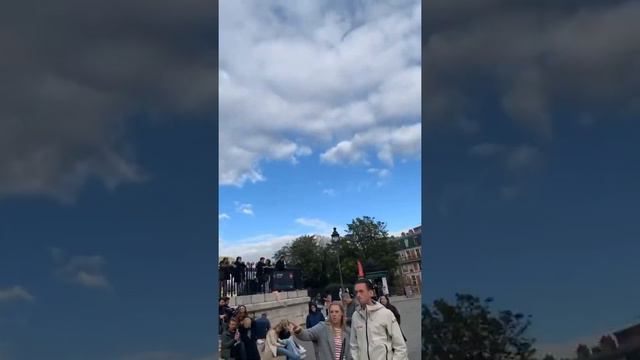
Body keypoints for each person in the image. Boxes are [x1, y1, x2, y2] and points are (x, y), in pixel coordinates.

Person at [350, 279, 407, 360]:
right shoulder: (355, 316)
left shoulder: (386, 313)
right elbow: (353, 345)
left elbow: (400, 346)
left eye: (361, 291)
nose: (358, 295)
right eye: (356, 292)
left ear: (371, 293)